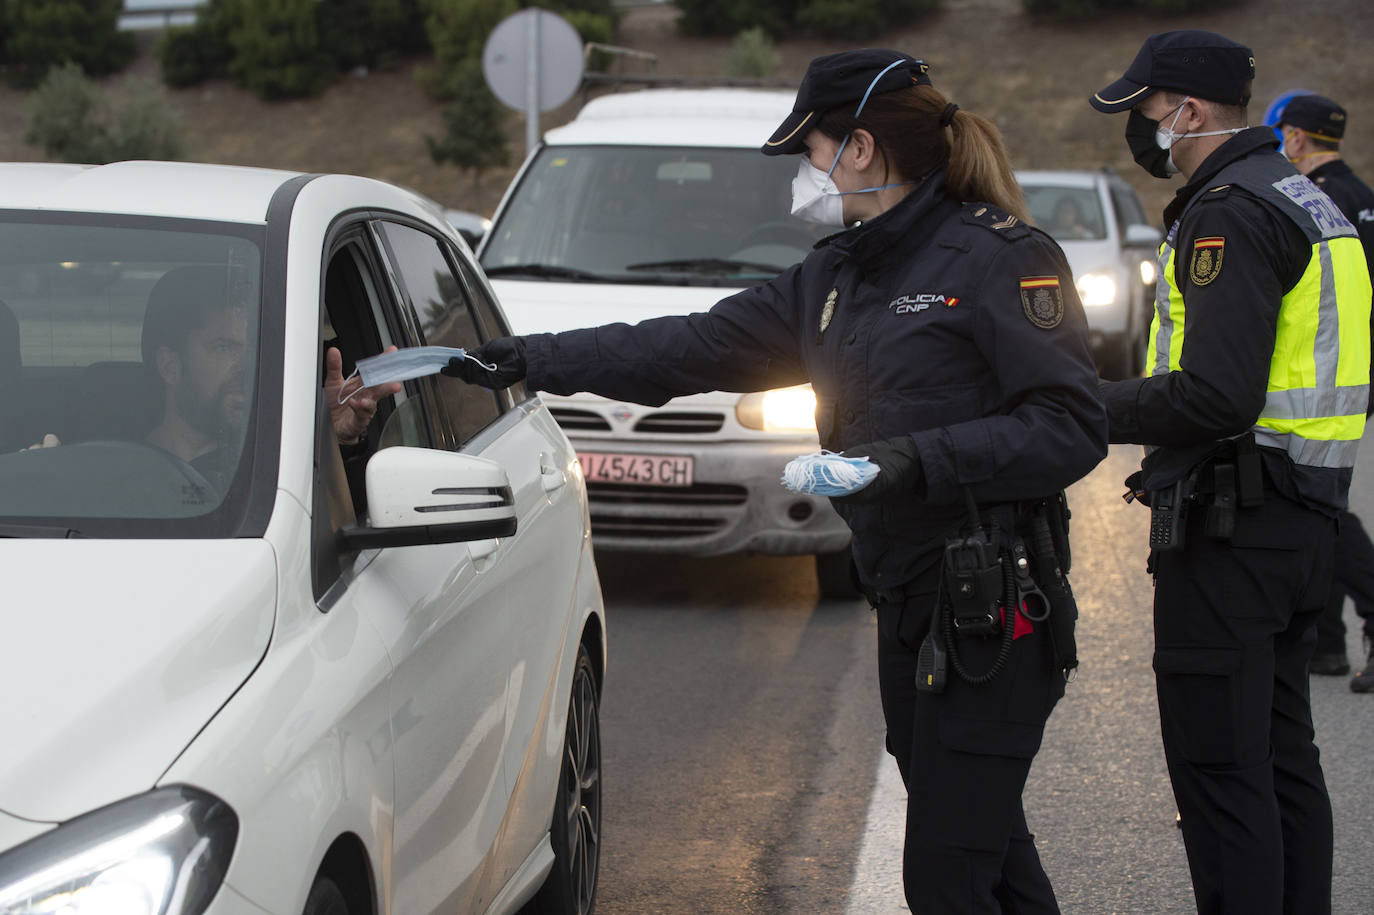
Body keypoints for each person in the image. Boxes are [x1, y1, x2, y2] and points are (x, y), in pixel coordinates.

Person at [446, 49, 1107, 913]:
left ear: (860, 149)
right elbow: (682, 345)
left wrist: (912, 460)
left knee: (947, 875)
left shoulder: (997, 259)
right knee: (990, 856)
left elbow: (1070, 425)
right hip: (911, 605)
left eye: (811, 149)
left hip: (992, 616)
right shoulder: (837, 276)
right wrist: (529, 358)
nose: (804, 171)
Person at [1090, 30, 1372, 914]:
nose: (1141, 127)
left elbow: (1215, 396)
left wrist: (1083, 405)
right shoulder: (1302, 196)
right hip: (1303, 514)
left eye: (1145, 110)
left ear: (1189, 111)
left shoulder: (1228, 210)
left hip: (1234, 523)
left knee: (1220, 771)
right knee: (1285, 758)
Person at [1275, 93, 1374, 690]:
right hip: (1352, 369)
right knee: (1322, 497)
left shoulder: (1314, 200)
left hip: (1322, 373)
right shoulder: (1360, 195)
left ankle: (1361, 616)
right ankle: (1327, 644)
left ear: (1295, 138)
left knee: (1320, 506)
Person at [139, 265, 399, 487]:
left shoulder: (276, 469)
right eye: (223, 347)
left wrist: (334, 440)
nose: (247, 365)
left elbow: (350, 527)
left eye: (253, 347)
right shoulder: (113, 475)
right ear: (170, 366)